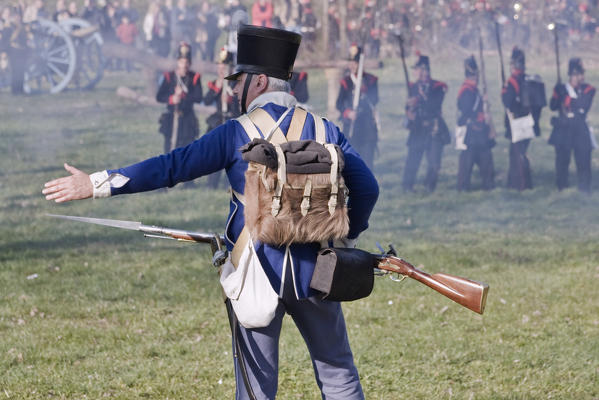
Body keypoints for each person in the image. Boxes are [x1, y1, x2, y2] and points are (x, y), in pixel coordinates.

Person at [42, 25, 378, 400]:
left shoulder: (234, 133)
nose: (234, 89)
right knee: (339, 378)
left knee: (255, 390)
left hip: (255, 272)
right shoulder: (326, 129)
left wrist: (98, 183)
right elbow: (368, 189)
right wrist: (346, 234)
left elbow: (171, 166)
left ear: (260, 81)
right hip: (318, 269)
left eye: (239, 82)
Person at [401, 54, 450, 192]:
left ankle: (429, 187)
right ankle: (407, 186)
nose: (416, 72)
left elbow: (434, 105)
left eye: (417, 69)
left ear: (424, 69)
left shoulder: (438, 87)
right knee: (412, 160)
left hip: (433, 127)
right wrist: (408, 111)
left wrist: (419, 99)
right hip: (417, 128)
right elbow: (409, 107)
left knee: (435, 164)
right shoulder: (413, 87)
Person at [501, 46, 546, 190]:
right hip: (528, 122)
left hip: (517, 123)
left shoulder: (512, 82)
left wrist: (504, 92)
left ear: (513, 65)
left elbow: (508, 102)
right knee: (520, 153)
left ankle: (520, 185)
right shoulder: (528, 79)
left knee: (516, 155)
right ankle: (518, 183)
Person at [549, 58, 596, 193]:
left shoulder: (588, 89)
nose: (579, 77)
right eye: (576, 74)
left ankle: (584, 189)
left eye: (580, 74)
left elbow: (582, 105)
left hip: (580, 129)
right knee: (562, 161)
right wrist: (557, 94)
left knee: (583, 161)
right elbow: (553, 106)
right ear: (571, 75)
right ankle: (561, 187)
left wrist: (566, 97)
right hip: (564, 129)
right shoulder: (561, 89)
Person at [336, 44, 379, 170]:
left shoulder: (371, 80)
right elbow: (339, 104)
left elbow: (375, 99)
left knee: (367, 161)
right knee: (351, 161)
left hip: (367, 126)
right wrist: (348, 113)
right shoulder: (346, 81)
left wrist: (364, 90)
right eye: (351, 62)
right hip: (351, 127)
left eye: (355, 62)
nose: (352, 65)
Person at [202, 47, 240, 189]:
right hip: (218, 121)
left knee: (231, 155)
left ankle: (228, 184)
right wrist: (217, 87)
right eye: (220, 66)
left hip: (232, 121)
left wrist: (231, 101)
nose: (222, 69)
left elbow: (241, 108)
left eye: (225, 66)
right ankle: (211, 184)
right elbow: (206, 100)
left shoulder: (237, 84)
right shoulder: (216, 82)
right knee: (215, 154)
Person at [456, 55, 495, 191]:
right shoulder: (466, 91)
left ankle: (488, 185)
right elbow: (466, 111)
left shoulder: (473, 90)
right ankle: (463, 188)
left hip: (480, 132)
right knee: (466, 163)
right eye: (473, 76)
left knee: (486, 162)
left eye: (476, 76)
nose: (476, 79)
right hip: (471, 132)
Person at [156, 42, 203, 154]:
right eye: (182, 62)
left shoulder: (194, 77)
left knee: (187, 152)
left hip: (187, 119)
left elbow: (198, 97)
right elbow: (159, 96)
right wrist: (171, 99)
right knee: (169, 151)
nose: (184, 65)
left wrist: (184, 96)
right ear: (178, 62)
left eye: (187, 62)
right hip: (171, 118)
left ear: (190, 63)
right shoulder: (169, 76)